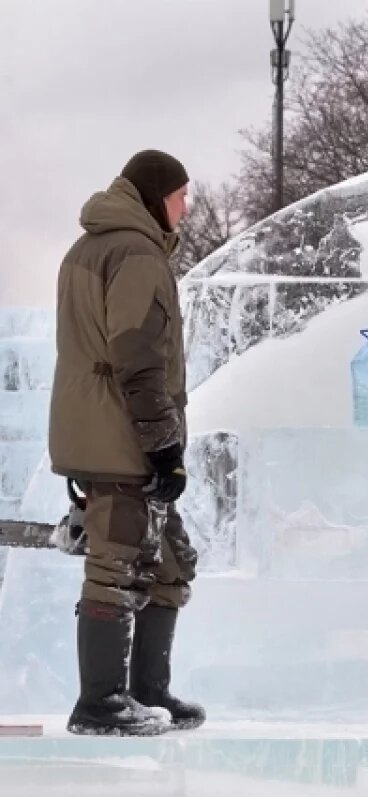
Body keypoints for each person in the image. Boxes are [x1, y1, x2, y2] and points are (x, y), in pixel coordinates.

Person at [49, 150, 204, 736]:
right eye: (180, 196)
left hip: (101, 428)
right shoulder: (136, 253)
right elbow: (137, 359)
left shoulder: (89, 247)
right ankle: (100, 704)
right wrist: (164, 446)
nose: (186, 209)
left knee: (169, 560)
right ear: (155, 194)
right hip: (123, 436)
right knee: (115, 565)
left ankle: (146, 690)